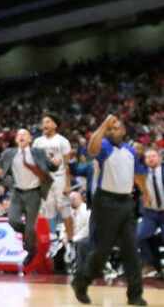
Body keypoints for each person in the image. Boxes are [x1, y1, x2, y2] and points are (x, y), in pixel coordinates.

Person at [72, 115, 146, 306]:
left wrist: (146, 193)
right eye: (110, 129)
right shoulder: (104, 146)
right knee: (101, 250)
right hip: (106, 202)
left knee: (131, 250)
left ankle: (135, 295)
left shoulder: (130, 150)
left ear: (123, 131)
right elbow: (91, 149)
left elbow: (138, 175)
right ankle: (81, 281)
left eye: (116, 128)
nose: (113, 131)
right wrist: (104, 124)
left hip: (126, 203)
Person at [0, 129, 59, 266]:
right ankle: (30, 237)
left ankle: (31, 250)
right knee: (12, 221)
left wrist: (56, 163)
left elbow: (51, 167)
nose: (21, 136)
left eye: (24, 134)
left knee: (30, 229)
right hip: (17, 193)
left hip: (34, 193)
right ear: (16, 139)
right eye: (18, 134)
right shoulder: (9, 153)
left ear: (30, 139)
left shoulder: (38, 153)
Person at [32, 112, 75, 246]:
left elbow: (68, 165)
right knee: (45, 211)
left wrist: (68, 184)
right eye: (43, 122)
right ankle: (45, 240)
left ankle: (71, 239)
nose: (44, 124)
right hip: (44, 179)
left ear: (55, 125)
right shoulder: (37, 142)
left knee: (64, 208)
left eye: (48, 122)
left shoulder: (63, 141)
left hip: (59, 177)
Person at [136, 147, 164, 278]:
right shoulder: (142, 173)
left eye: (153, 156)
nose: (151, 159)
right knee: (140, 235)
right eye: (148, 157)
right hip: (150, 212)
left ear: (160, 158)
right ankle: (150, 265)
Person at [68, 191, 90, 273]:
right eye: (70, 199)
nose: (72, 201)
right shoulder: (69, 211)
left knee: (81, 244)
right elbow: (65, 226)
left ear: (80, 199)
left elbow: (87, 228)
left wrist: (74, 238)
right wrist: (64, 236)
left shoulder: (87, 210)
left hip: (83, 237)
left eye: (74, 199)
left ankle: (80, 270)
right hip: (71, 237)